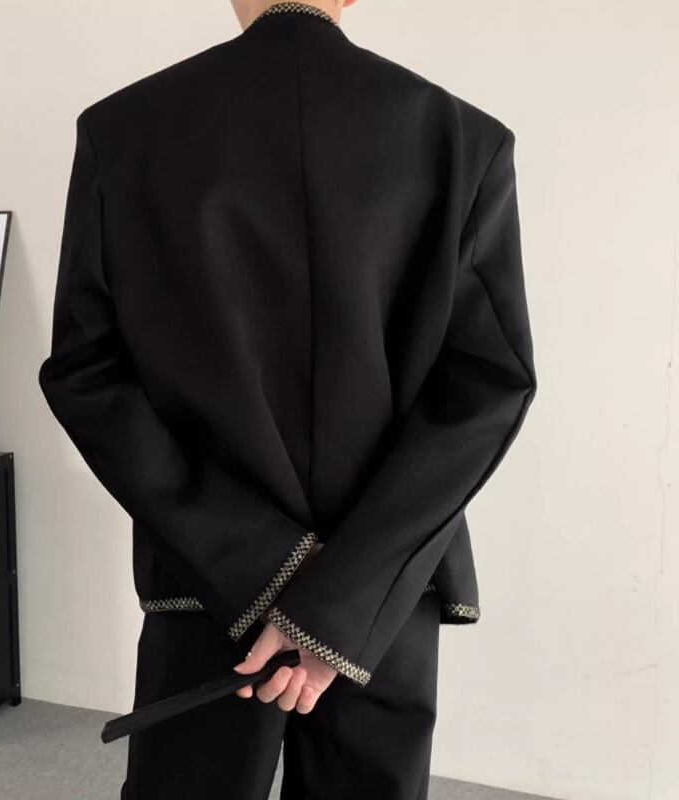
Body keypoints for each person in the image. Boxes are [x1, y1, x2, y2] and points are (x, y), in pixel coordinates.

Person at [38, 1, 537, 798]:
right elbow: (486, 386)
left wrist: (261, 563)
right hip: (380, 585)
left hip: (208, 572)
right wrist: (338, 598)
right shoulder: (463, 138)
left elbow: (88, 371)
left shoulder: (122, 130)